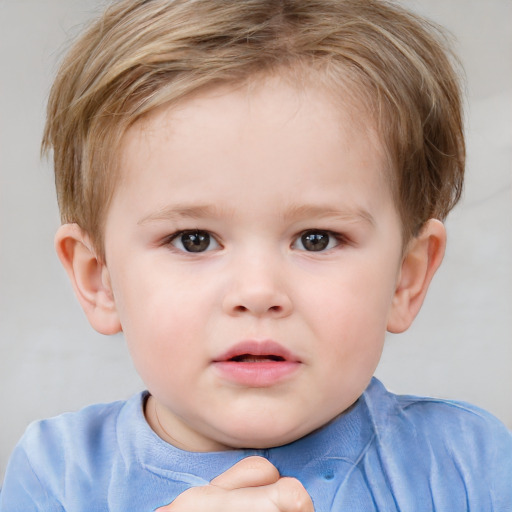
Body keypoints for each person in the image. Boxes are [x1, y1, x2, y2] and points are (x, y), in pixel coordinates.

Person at [1, 0, 511, 510]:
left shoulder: (467, 464)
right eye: (193, 239)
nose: (258, 291)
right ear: (100, 280)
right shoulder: (58, 476)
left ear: (406, 277)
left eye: (317, 239)